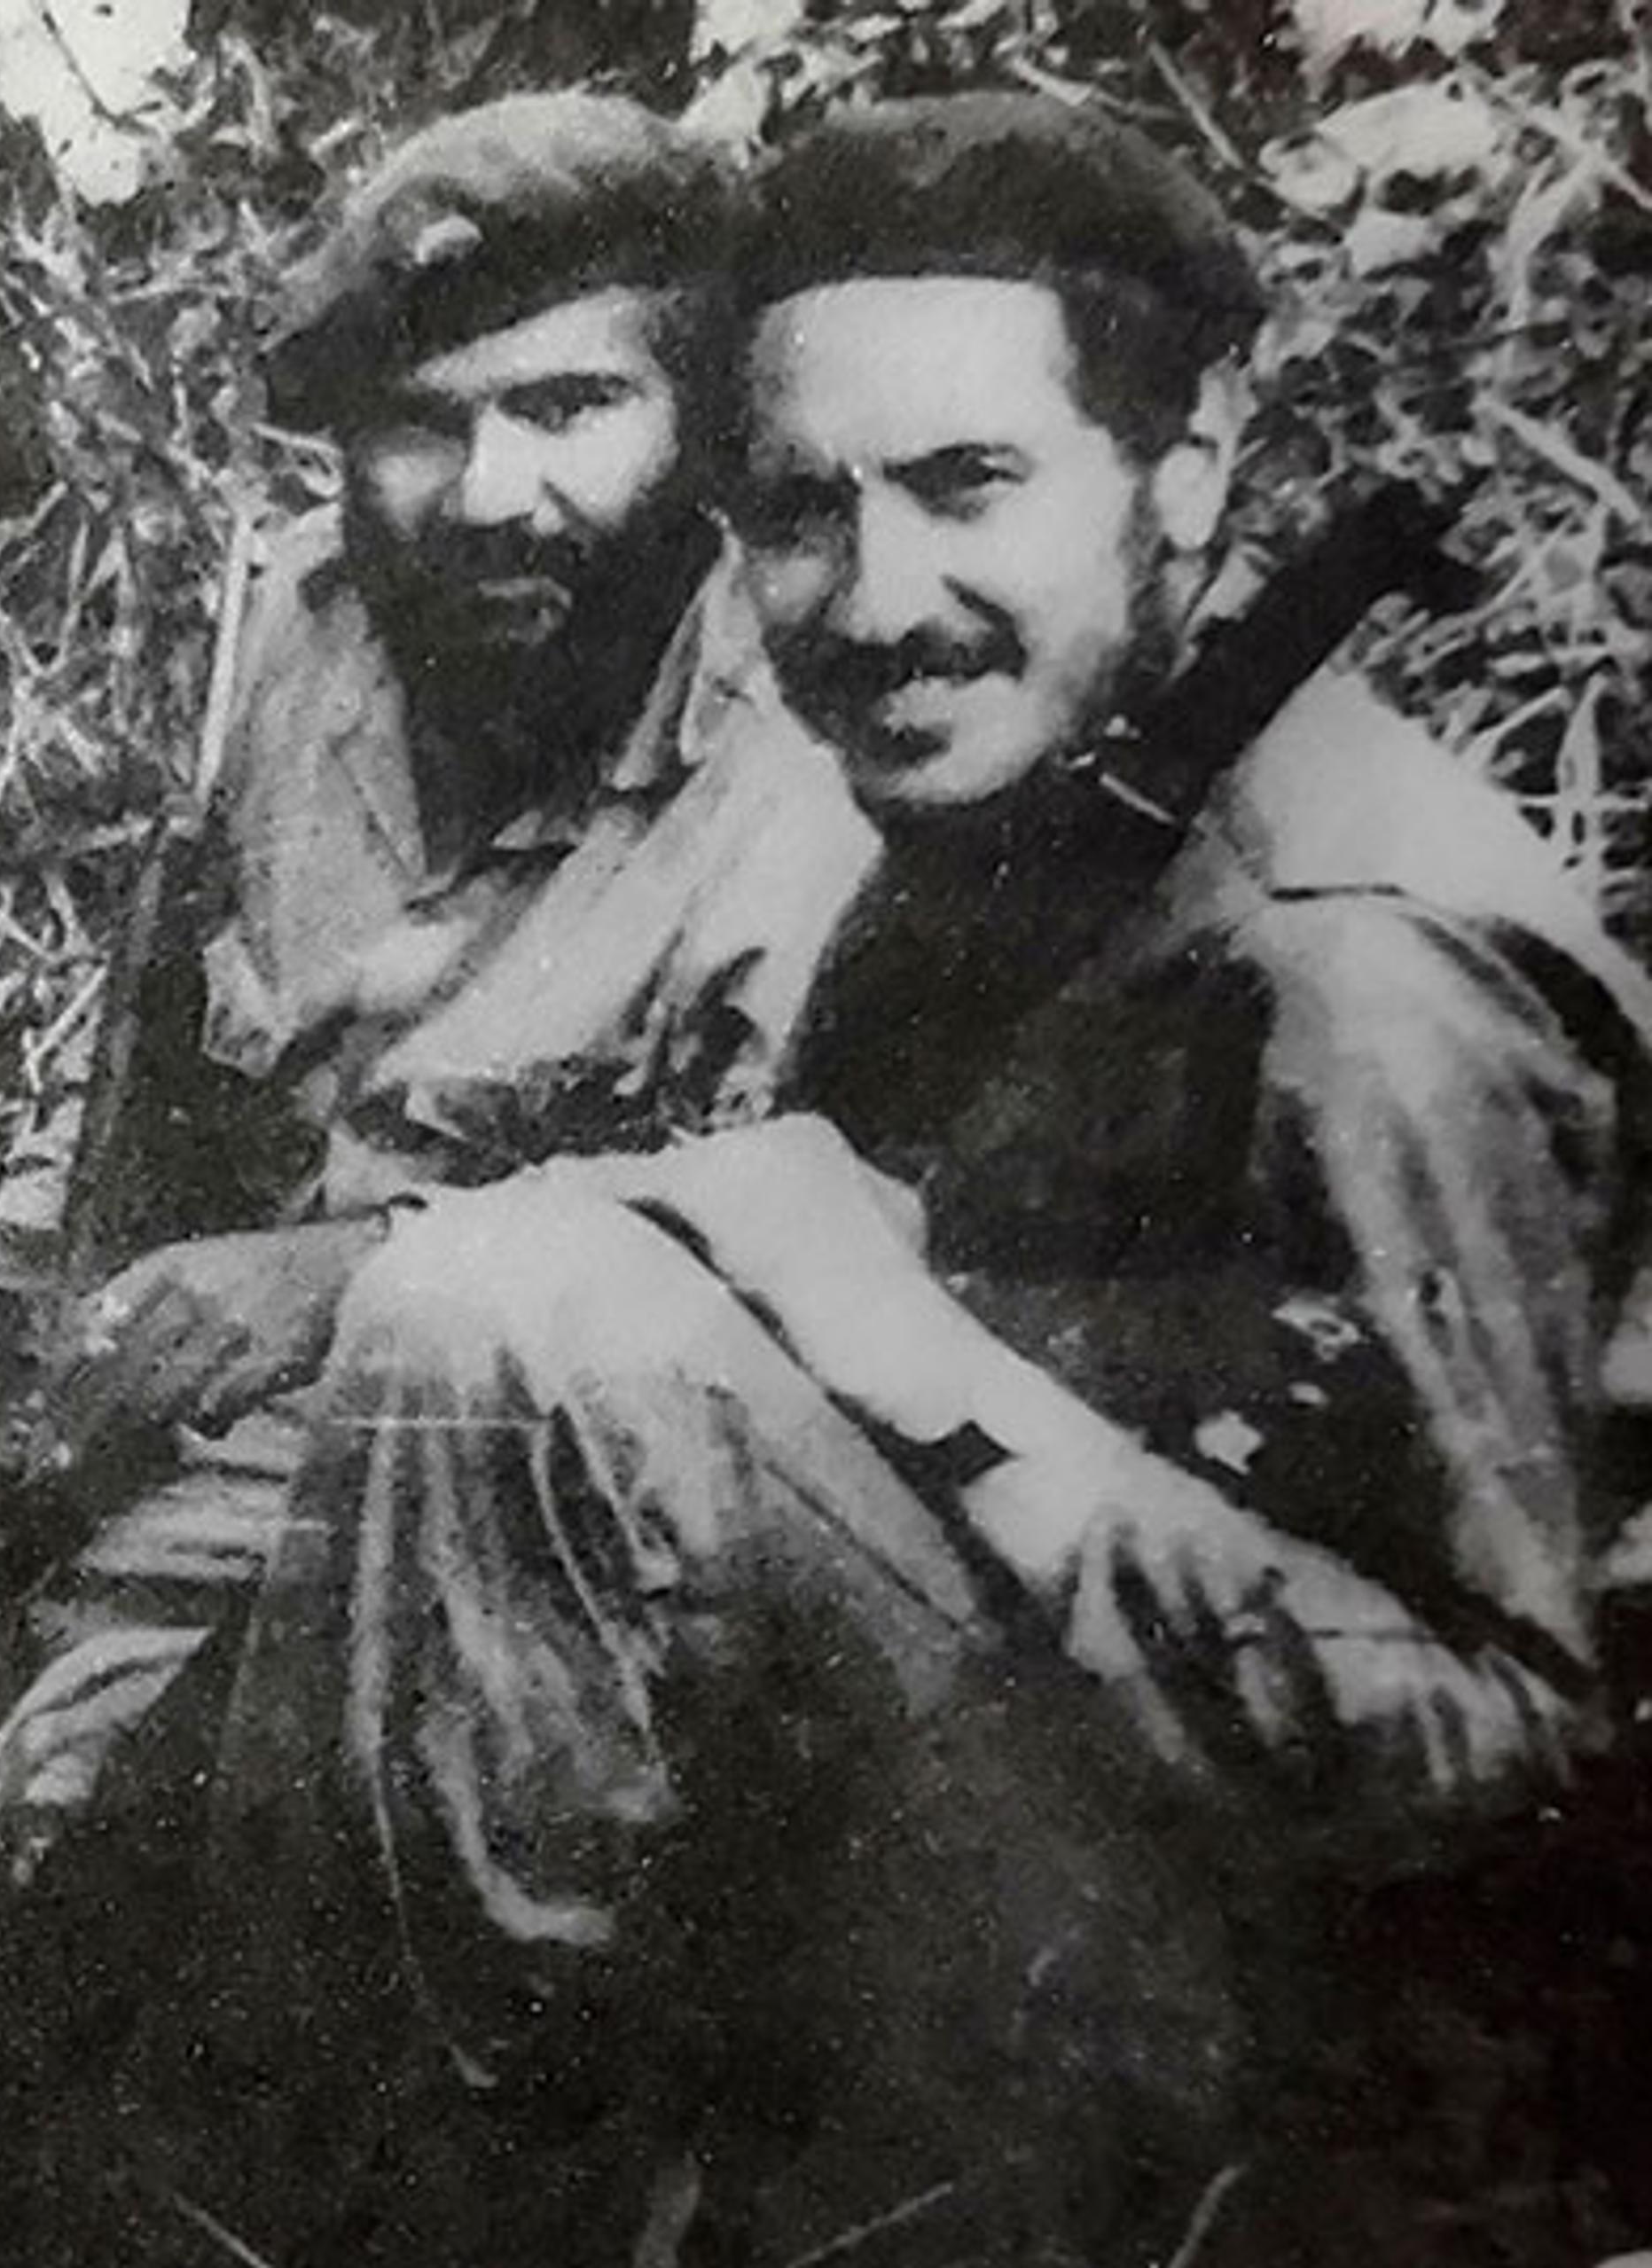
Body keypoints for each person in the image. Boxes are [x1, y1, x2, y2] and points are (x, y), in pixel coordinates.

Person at [213, 94, 1652, 2262]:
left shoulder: (1356, 960)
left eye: (970, 485)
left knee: (521, 1322)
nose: (878, 601)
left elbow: (1504, 1767)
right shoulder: (1035, 804)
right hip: (1089, 1846)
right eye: (798, 514)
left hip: (1344, 2068)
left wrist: (895, 1343)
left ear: (1186, 471)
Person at [0, 93, 874, 1849]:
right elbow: (187, 1106)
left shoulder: (818, 743)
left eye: (572, 407)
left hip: (573, 1492)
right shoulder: (305, 646)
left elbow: (813, 1273)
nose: (491, 499)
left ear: (708, 428)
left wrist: (344, 1271)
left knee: (145, 1829)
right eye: (418, 426)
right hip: (204, 1461)